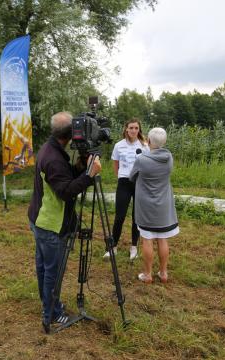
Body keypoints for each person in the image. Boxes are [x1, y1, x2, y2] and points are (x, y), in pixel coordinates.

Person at [28, 111, 102, 333]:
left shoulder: (51, 150)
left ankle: (49, 306)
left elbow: (63, 176)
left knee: (43, 268)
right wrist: (89, 175)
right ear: (71, 134)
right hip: (51, 224)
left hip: (40, 219)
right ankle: (52, 314)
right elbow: (66, 191)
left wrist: (79, 167)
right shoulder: (53, 158)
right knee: (52, 271)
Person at [129, 127, 179, 284]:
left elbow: (132, 176)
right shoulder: (169, 157)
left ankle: (147, 274)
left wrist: (144, 152)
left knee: (147, 239)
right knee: (163, 239)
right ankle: (163, 273)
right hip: (164, 204)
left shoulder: (142, 159)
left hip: (146, 206)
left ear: (148, 141)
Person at [104, 118, 148, 261]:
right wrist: (119, 176)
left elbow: (148, 164)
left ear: (139, 130)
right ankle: (113, 247)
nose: (133, 130)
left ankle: (134, 246)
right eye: (131, 128)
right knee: (119, 216)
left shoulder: (144, 145)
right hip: (124, 182)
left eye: (136, 128)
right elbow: (116, 163)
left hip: (139, 183)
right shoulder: (119, 145)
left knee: (137, 217)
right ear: (126, 129)